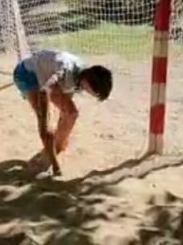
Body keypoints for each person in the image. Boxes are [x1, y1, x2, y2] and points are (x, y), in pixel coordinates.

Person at [12, 49, 113, 177]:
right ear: (88, 81)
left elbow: (67, 94)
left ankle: (56, 147)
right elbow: (48, 87)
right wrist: (43, 113)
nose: (92, 95)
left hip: (48, 80)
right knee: (44, 123)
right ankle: (52, 158)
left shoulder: (81, 76)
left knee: (71, 113)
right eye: (94, 92)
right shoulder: (65, 69)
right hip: (27, 74)